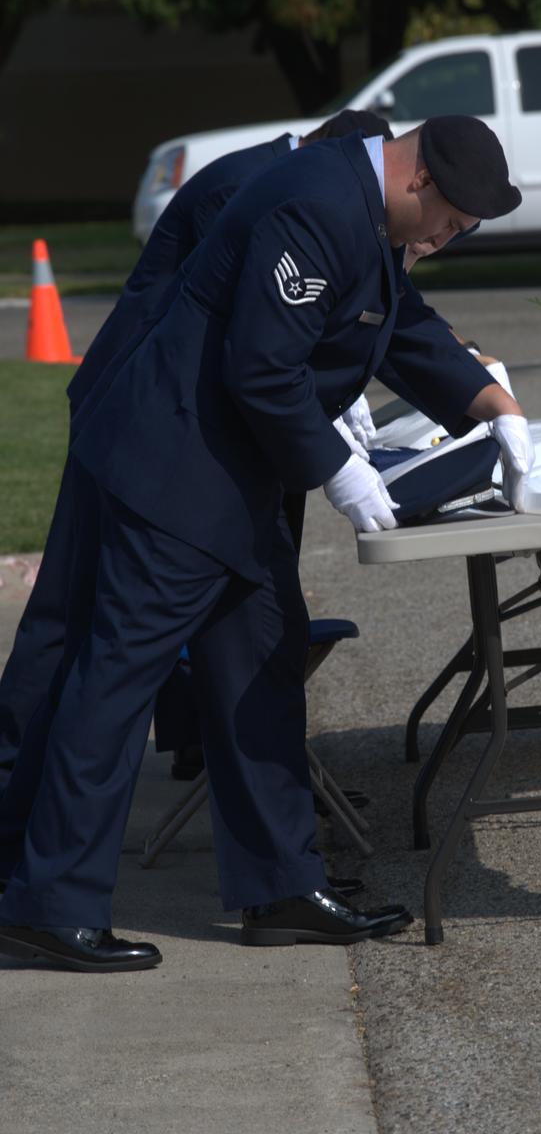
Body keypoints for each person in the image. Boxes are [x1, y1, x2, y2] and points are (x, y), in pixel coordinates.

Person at [0, 115, 534, 972]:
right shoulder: (316, 203)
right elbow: (261, 365)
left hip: (227, 478)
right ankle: (49, 904)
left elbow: (400, 325)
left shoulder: (364, 210)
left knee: (260, 666)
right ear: (420, 181)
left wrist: (489, 406)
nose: (449, 240)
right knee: (116, 678)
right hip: (176, 469)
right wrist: (339, 469)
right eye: (453, 224)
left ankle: (280, 887)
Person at [0, 110, 393, 779]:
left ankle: (193, 749)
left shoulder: (288, 183)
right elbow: (250, 329)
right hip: (143, 425)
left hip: (218, 429)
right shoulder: (251, 188)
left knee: (220, 612)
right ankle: (12, 796)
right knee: (71, 621)